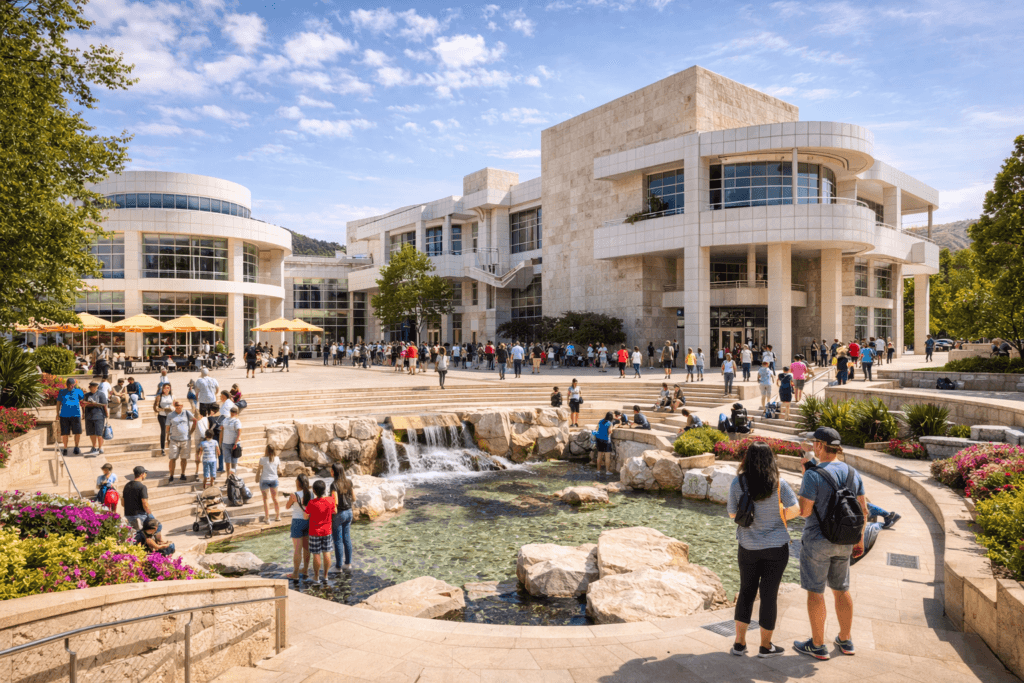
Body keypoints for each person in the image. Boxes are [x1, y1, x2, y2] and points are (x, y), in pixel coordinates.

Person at [794, 427, 867, 661]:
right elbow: (863, 510)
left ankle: (817, 645)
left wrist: (805, 476)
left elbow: (805, 511)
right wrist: (860, 540)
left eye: (814, 443)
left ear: (819, 446)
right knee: (841, 589)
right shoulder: (853, 473)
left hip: (818, 541)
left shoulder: (812, 474)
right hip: (845, 540)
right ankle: (845, 640)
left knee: (816, 592)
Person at [727, 441, 802, 658]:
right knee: (769, 596)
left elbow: (733, 514)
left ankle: (739, 644)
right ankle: (765, 646)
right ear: (771, 459)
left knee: (746, 592)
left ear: (747, 459)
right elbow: (796, 509)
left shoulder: (738, 482)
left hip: (748, 546)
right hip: (776, 548)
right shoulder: (779, 483)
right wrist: (778, 516)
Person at [304, 479, 336, 585]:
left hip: (314, 532)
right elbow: (335, 511)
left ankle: (316, 577)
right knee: (327, 552)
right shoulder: (330, 500)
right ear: (324, 490)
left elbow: (305, 516)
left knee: (316, 554)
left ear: (314, 491)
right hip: (327, 531)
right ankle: (326, 576)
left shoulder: (311, 503)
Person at [285, 475, 311, 580]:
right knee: (306, 548)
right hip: (308, 521)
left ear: (298, 483)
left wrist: (293, 499)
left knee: (297, 549)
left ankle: (295, 573)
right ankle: (305, 569)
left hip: (297, 522)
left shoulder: (294, 495)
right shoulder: (311, 493)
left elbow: (287, 506)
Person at [330, 462, 354, 571]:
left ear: (335, 472)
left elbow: (334, 503)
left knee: (338, 541)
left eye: (331, 470)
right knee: (347, 538)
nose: (330, 471)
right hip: (349, 512)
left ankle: (338, 567)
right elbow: (354, 497)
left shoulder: (334, 484)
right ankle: (348, 564)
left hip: (339, 514)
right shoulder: (349, 482)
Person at [165, 400, 195, 482]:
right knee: (172, 458)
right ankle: (171, 475)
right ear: (175, 406)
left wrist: (191, 431)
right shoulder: (170, 415)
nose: (179, 408)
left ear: (182, 406)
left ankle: (183, 473)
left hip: (185, 439)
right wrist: (167, 438)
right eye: (177, 407)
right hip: (174, 439)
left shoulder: (186, 413)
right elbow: (167, 427)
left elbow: (195, 420)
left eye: (180, 406)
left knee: (184, 458)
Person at [57, 378, 85, 456]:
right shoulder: (62, 392)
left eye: (71, 384)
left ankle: (76, 447)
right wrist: (57, 413)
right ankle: (65, 448)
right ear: (66, 384)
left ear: (74, 384)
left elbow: (82, 402)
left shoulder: (78, 391)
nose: (70, 386)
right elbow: (58, 403)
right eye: (68, 384)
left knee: (77, 432)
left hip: (76, 415)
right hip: (64, 415)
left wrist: (84, 413)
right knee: (65, 433)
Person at [122, 466, 154, 530]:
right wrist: (150, 513)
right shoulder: (142, 487)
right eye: (145, 473)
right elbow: (145, 503)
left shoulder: (127, 485)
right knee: (157, 525)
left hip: (127, 515)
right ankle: (138, 522)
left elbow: (123, 503)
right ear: (142, 474)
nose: (146, 475)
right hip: (140, 515)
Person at [82, 381, 108, 456]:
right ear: (90, 387)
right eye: (92, 387)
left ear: (97, 387)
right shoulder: (86, 395)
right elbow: (83, 404)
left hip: (99, 416)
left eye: (95, 387)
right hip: (89, 416)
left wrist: (106, 413)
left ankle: (100, 447)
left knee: (99, 433)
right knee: (91, 433)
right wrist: (83, 413)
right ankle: (94, 446)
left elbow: (104, 405)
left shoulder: (101, 394)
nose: (93, 389)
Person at [257, 445, 281, 523]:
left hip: (264, 480)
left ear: (266, 450)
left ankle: (267, 518)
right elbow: (279, 470)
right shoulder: (277, 459)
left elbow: (259, 470)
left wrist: (257, 478)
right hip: (274, 480)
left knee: (266, 499)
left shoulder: (262, 459)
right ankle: (278, 516)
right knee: (275, 498)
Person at [220, 406, 242, 476]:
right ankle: (228, 477)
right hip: (225, 443)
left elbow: (239, 432)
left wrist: (236, 443)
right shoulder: (225, 420)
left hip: (233, 444)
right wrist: (220, 441)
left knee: (233, 462)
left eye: (234, 412)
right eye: (232, 412)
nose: (233, 413)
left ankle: (233, 477)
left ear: (236, 413)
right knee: (227, 461)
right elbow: (222, 430)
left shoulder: (237, 421)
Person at [153, 383, 174, 456]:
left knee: (171, 431)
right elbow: (155, 408)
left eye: (168, 388)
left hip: (171, 416)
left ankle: (171, 447)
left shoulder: (172, 396)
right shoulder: (159, 397)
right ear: (163, 389)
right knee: (163, 431)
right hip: (162, 415)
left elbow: (175, 405)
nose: (166, 389)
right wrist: (165, 409)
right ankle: (162, 448)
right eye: (165, 388)